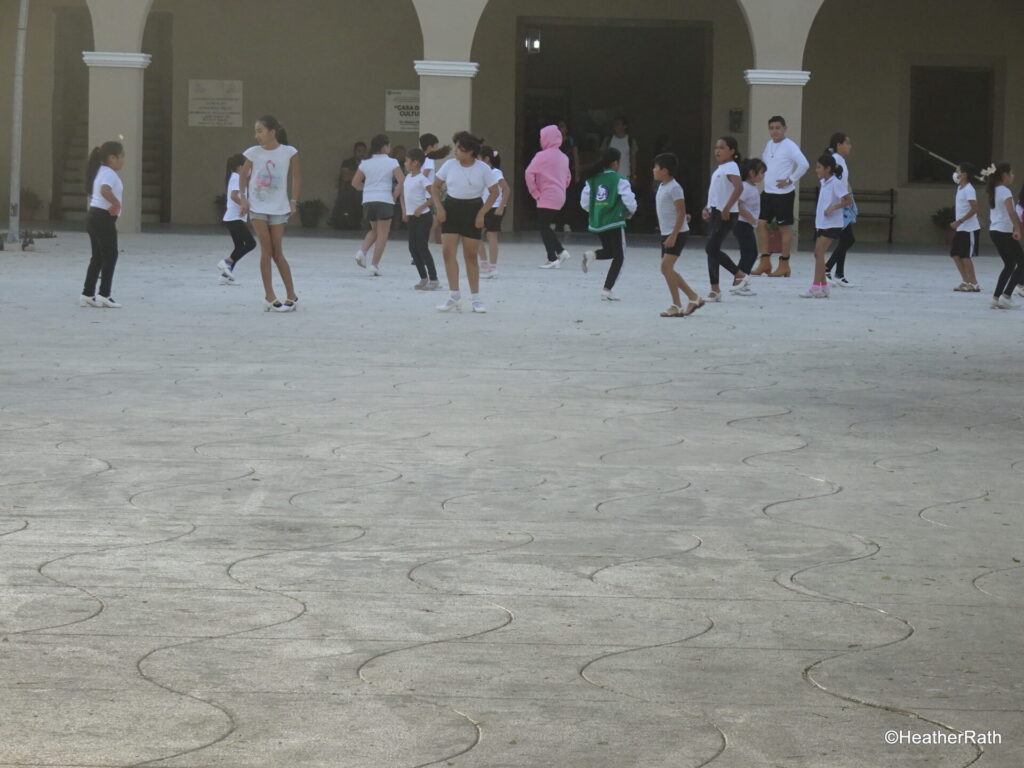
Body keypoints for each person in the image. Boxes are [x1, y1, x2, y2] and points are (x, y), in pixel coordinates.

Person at [431, 131, 499, 313]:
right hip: (451, 208)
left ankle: (476, 298)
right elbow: (435, 186)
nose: (456, 152)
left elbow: (495, 192)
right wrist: (440, 208)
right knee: (447, 253)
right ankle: (454, 295)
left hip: (473, 209)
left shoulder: (483, 168)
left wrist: (482, 213)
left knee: (470, 256)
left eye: (460, 149)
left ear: (470, 152)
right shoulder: (449, 165)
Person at [238, 114, 300, 312]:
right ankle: (269, 295)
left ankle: (292, 294)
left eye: (260, 131)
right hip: (257, 208)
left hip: (279, 208)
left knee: (277, 251)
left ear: (272, 132)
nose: (257, 135)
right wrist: (244, 198)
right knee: (266, 250)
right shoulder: (252, 153)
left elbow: (296, 177)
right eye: (256, 131)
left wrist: (293, 201)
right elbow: (242, 177)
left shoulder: (289, 152)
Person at [753, 115, 809, 277]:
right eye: (771, 128)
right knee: (761, 224)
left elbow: (804, 164)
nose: (774, 131)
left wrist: (790, 179)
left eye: (778, 128)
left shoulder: (790, 146)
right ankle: (764, 261)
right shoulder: (769, 145)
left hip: (783, 194)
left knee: (784, 228)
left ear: (784, 128)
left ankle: (784, 263)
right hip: (768, 192)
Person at [578, 147, 637, 301]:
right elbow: (629, 201)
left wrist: (597, 211)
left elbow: (584, 203)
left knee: (611, 251)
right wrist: (630, 212)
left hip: (598, 223)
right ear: (615, 163)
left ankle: (592, 255)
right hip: (614, 222)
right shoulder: (620, 179)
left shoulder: (592, 180)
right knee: (620, 256)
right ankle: (607, 289)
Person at [652, 152, 702, 317]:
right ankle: (693, 298)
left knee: (665, 268)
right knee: (667, 269)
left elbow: (681, 212)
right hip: (666, 233)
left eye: (656, 167)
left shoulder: (675, 187)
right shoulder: (662, 186)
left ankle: (677, 304)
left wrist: (673, 235)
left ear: (665, 170)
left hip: (676, 233)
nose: (653, 170)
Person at [800, 153, 852, 299]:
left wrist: (833, 208)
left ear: (828, 169)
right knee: (817, 253)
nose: (816, 170)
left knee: (819, 252)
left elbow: (848, 200)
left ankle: (816, 286)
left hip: (832, 223)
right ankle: (823, 287)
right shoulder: (825, 182)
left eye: (819, 167)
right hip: (822, 223)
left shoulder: (836, 183)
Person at [80, 141, 125, 308]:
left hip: (94, 216)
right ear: (112, 158)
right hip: (102, 218)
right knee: (110, 255)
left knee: (98, 257)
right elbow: (105, 190)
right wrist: (116, 204)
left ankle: (87, 294)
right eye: (121, 157)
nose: (123, 160)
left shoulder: (100, 171)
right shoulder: (109, 173)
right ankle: (104, 294)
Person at [701, 136, 746, 302]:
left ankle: (739, 274)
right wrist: (707, 207)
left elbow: (739, 187)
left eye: (722, 147)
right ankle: (715, 290)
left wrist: (727, 207)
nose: (717, 151)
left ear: (732, 151)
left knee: (711, 248)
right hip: (715, 212)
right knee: (711, 250)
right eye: (716, 147)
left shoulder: (731, 166)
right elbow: (716, 192)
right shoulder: (720, 169)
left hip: (725, 214)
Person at [353, 133, 404, 276]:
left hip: (368, 200)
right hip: (384, 199)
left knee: (374, 230)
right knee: (383, 234)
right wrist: (395, 195)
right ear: (384, 147)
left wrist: (368, 188)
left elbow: (355, 183)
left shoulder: (365, 163)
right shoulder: (392, 162)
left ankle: (362, 251)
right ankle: (374, 265)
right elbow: (401, 180)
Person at [526, 124, 572, 268]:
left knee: (543, 225)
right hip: (560, 196)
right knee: (545, 225)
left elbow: (528, 173)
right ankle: (555, 255)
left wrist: (535, 192)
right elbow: (568, 177)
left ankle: (557, 254)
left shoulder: (541, 156)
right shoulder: (564, 157)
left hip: (546, 195)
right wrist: (561, 188)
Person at [982, 162, 1024, 309]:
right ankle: (1006, 296)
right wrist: (1017, 229)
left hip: (995, 231)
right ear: (1005, 175)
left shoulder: (994, 190)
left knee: (1010, 264)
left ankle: (996, 297)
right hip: (1003, 231)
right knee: (1022, 263)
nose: (1013, 176)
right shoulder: (1005, 191)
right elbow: (1011, 212)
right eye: (1011, 173)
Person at [401, 147, 439, 290]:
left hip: (423, 217)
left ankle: (434, 279)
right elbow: (405, 196)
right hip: (412, 218)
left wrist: (420, 208)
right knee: (413, 248)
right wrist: (406, 211)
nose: (405, 163)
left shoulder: (422, 179)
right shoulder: (407, 177)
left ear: (415, 163)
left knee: (422, 247)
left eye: (407, 160)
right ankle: (423, 277)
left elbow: (433, 197)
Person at [217, 153, 256, 286]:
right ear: (240, 167)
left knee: (239, 246)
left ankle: (225, 276)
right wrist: (244, 205)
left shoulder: (237, 177)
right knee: (251, 244)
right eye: (247, 166)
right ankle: (227, 262)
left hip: (233, 218)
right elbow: (234, 196)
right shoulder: (236, 178)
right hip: (234, 219)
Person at [824, 133, 857, 287]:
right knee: (848, 239)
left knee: (845, 239)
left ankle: (839, 274)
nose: (849, 147)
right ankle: (826, 268)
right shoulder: (835, 160)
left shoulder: (841, 161)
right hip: (838, 205)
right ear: (839, 144)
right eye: (847, 143)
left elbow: (844, 181)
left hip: (844, 203)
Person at [733, 158, 766, 296]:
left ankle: (739, 282)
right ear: (752, 173)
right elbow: (738, 204)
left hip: (746, 224)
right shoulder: (745, 187)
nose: (763, 176)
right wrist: (750, 218)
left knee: (748, 254)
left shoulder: (751, 187)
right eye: (761, 173)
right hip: (742, 224)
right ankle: (739, 283)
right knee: (750, 254)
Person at [479, 145, 511, 279]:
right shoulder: (479, 173)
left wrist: (501, 206)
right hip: (482, 207)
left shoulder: (495, 172)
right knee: (475, 235)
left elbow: (506, 190)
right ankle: (484, 264)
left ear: (486, 159)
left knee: (491, 235)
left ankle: (492, 267)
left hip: (495, 207)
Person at [949, 162, 981, 292]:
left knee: (965, 256)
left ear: (965, 174)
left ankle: (974, 283)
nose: (956, 174)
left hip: (969, 228)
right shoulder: (960, 188)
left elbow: (974, 208)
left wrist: (960, 221)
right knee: (955, 254)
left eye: (958, 171)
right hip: (961, 228)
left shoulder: (969, 189)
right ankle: (965, 280)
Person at [419, 133, 450, 244]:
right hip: (428, 194)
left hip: (423, 194)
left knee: (433, 220)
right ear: (430, 147)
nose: (437, 148)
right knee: (434, 220)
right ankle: (424, 241)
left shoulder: (421, 158)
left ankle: (430, 240)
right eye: (436, 146)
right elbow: (424, 175)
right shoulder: (429, 159)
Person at [601, 116, 639, 184]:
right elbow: (602, 158)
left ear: (624, 126)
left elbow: (633, 159)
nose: (615, 126)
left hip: (625, 176)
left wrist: (634, 175)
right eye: (615, 124)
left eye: (618, 124)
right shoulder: (608, 140)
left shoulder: (630, 141)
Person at [557, 120, 579, 232]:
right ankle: (555, 221)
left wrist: (577, 173)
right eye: (559, 127)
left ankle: (567, 222)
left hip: (568, 172)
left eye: (563, 127)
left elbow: (575, 156)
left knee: (568, 198)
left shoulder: (571, 141)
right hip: (555, 173)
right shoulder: (554, 141)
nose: (561, 129)